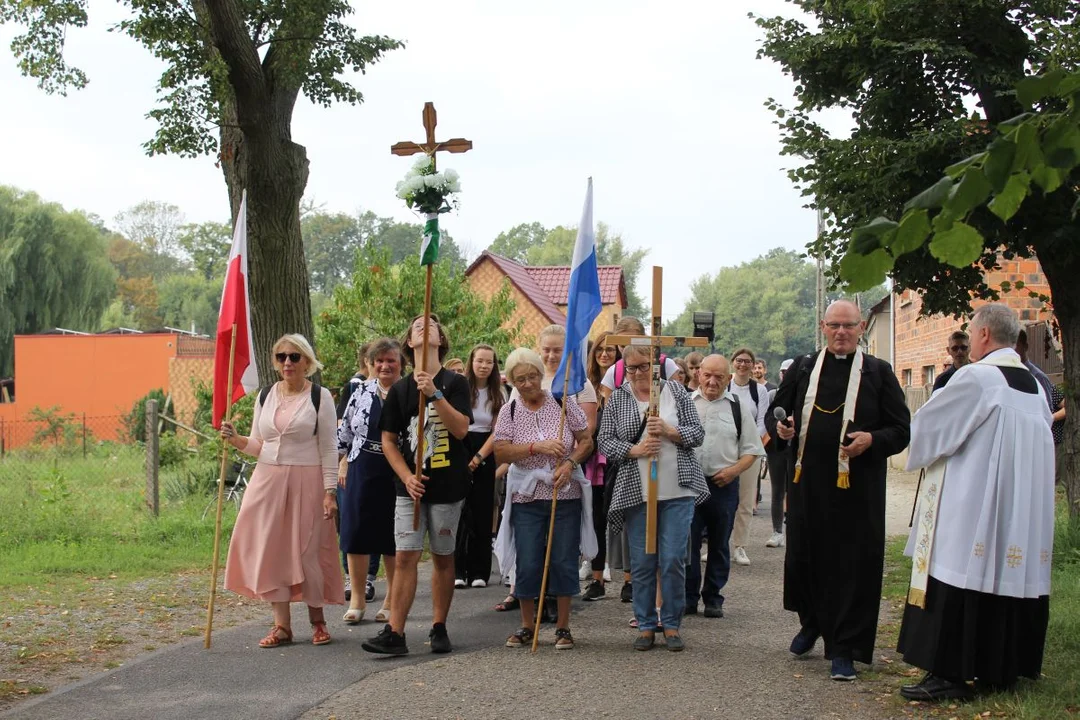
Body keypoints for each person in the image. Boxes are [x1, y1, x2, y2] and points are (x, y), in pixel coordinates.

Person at [897, 303, 1054, 701]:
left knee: (958, 571)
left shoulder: (978, 377)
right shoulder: (1034, 385)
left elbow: (930, 428)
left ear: (983, 335)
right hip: (1018, 509)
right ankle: (1000, 670)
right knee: (1002, 575)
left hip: (974, 504)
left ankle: (949, 673)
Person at [768, 300, 910, 681]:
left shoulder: (879, 373)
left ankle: (844, 647)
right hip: (807, 486)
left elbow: (901, 430)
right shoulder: (803, 368)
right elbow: (776, 414)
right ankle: (812, 622)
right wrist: (783, 431)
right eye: (834, 325)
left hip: (856, 490)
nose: (841, 332)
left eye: (848, 326)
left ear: (861, 327)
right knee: (805, 559)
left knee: (850, 566)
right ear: (823, 326)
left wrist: (872, 439)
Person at [221, 334, 344, 648]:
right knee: (272, 550)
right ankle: (282, 627)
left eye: (294, 356)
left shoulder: (320, 397)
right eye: (281, 357)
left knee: (308, 551)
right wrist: (235, 439)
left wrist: (330, 491)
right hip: (268, 480)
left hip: (308, 479)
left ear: (307, 361)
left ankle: (318, 622)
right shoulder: (265, 395)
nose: (287, 362)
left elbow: (330, 448)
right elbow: (258, 445)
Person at [362, 315, 472, 656]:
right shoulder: (399, 390)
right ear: (409, 341)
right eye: (417, 326)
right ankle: (395, 631)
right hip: (409, 488)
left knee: (442, 556)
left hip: (448, 485)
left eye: (432, 325)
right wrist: (406, 476)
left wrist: (435, 394)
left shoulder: (455, 383)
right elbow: (390, 440)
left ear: (441, 339)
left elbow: (461, 430)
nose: (425, 327)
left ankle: (439, 626)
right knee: (406, 556)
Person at [600, 344, 707, 652]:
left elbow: (697, 433)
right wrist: (635, 450)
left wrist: (671, 432)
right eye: (630, 368)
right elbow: (605, 441)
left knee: (673, 558)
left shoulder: (676, 391)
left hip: (678, 488)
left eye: (642, 367)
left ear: (655, 365)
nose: (637, 374)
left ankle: (671, 623)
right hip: (637, 490)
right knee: (643, 562)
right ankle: (645, 624)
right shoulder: (619, 397)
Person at [493, 348, 594, 650]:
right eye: (520, 379)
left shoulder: (562, 402)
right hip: (526, 496)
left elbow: (586, 440)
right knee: (528, 558)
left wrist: (570, 463)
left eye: (532, 376)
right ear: (511, 381)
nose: (527, 384)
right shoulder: (509, 410)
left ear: (541, 375)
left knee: (563, 558)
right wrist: (535, 447)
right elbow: (501, 451)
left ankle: (563, 627)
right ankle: (526, 625)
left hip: (564, 494)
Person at [685, 354, 763, 618]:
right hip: (690, 485)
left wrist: (733, 472)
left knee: (719, 544)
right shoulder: (685, 404)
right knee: (689, 543)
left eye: (719, 376)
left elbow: (752, 451)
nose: (712, 381)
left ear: (728, 379)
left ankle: (713, 597)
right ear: (698, 375)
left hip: (724, 484)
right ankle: (688, 596)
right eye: (707, 375)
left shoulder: (737, 408)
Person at [337, 338, 402, 626]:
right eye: (380, 361)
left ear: (402, 364)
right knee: (356, 532)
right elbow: (345, 433)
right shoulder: (359, 390)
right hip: (361, 466)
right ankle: (358, 600)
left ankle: (391, 600)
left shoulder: (409, 391)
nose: (385, 365)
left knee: (392, 536)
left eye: (391, 360)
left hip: (396, 469)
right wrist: (341, 461)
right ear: (372, 364)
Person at [455, 344, 506, 589]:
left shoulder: (499, 393)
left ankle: (479, 571)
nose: (484, 366)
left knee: (482, 512)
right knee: (458, 512)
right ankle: (457, 569)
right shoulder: (460, 388)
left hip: (485, 449)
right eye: (480, 361)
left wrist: (478, 458)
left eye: (489, 362)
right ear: (471, 362)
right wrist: (465, 456)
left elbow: (498, 431)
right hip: (459, 445)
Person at [581, 331, 621, 601]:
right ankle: (597, 575)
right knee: (595, 516)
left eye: (610, 350)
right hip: (593, 459)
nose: (604, 354)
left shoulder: (625, 384)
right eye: (599, 350)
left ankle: (628, 576)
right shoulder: (586, 385)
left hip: (621, 457)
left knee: (621, 519)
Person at [728, 347, 769, 567]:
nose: (743, 365)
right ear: (732, 362)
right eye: (739, 360)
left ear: (753, 365)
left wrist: (752, 443)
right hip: (725, 450)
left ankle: (740, 546)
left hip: (749, 451)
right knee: (723, 499)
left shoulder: (758, 391)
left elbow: (763, 419)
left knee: (745, 500)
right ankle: (719, 545)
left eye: (747, 361)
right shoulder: (725, 385)